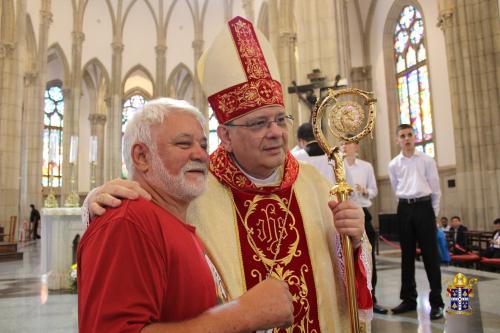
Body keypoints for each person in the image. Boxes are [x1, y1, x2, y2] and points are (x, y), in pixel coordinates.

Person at [84, 16, 373, 332]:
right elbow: (136, 222)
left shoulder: (315, 186)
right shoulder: (193, 189)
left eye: (280, 119)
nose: (275, 132)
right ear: (225, 136)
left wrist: (354, 241)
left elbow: (346, 282)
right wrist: (96, 201)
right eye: (259, 123)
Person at [78, 98, 294, 332]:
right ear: (141, 157)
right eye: (183, 144)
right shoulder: (128, 222)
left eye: (203, 145)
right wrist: (244, 314)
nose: (200, 155)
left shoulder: (171, 216)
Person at [388, 124, 444, 320]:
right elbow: (396, 188)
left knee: (430, 256)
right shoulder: (394, 164)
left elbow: (436, 189)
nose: (406, 139)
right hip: (404, 208)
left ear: (415, 137)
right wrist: (405, 206)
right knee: (407, 256)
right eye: (402, 136)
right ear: (397, 140)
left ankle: (437, 302)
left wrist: (432, 214)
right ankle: (409, 299)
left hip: (424, 208)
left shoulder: (427, 160)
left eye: (410, 135)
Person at [342, 138, 387, 314]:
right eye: (342, 143)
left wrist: (364, 191)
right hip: (346, 211)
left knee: (368, 257)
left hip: (363, 211)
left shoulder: (366, 166)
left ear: (356, 146)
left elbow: (374, 190)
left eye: (348, 143)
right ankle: (349, 298)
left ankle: (371, 297)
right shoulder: (338, 166)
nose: (344, 146)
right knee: (347, 256)